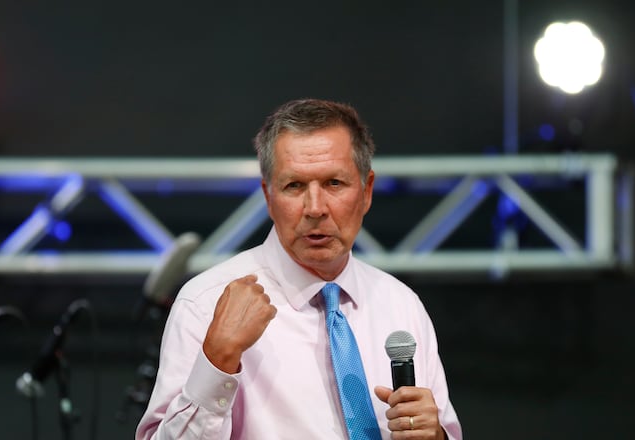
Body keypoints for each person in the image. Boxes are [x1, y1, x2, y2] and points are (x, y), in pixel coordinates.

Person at [135, 98, 462, 439]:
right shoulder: (205, 303)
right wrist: (217, 359)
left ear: (366, 192)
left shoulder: (401, 305)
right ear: (268, 196)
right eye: (295, 186)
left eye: (334, 183)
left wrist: (435, 436)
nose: (315, 208)